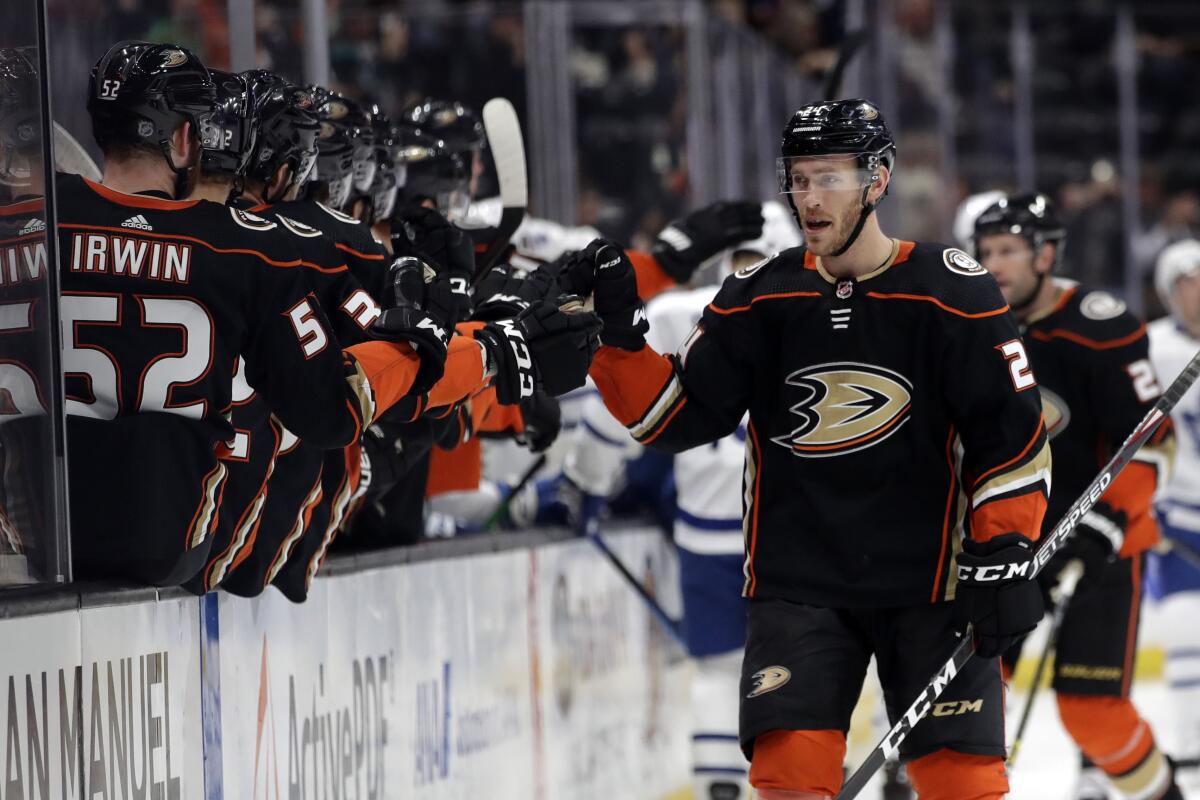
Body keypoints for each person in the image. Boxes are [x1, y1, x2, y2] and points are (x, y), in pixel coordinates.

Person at [562, 98, 1052, 799]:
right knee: (789, 781)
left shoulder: (954, 292)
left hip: (933, 585)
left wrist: (1005, 550)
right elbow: (673, 418)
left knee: (964, 787)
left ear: (878, 180)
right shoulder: (758, 296)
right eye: (798, 178)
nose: (808, 198)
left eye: (828, 177)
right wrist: (617, 338)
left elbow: (1012, 434)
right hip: (799, 588)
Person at [975, 193, 1182, 800]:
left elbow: (1153, 444)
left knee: (1093, 714)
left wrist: (1108, 523)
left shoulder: (1100, 324)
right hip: (1009, 547)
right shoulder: (976, 329)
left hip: (1102, 547)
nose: (994, 265)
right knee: (973, 698)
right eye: (986, 252)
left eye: (1008, 251)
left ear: (1045, 254)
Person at [1148, 239, 1200, 789]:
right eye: (1188, 280)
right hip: (1178, 518)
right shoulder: (1153, 347)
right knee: (1187, 632)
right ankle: (1189, 757)